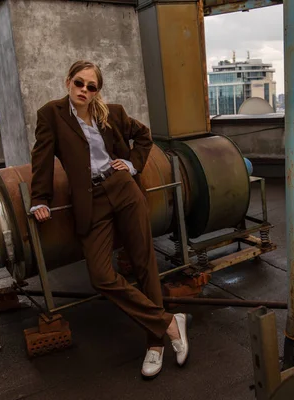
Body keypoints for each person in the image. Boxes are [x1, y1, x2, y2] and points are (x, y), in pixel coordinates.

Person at [29, 60, 190, 379]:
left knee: (144, 264)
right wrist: (39, 199)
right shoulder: (51, 114)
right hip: (91, 201)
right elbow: (42, 158)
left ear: (97, 91)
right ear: (67, 82)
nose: (84, 90)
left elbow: (144, 137)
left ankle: (155, 345)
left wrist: (131, 165)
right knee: (101, 275)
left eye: (91, 86)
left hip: (123, 188)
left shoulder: (112, 113)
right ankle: (169, 322)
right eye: (79, 83)